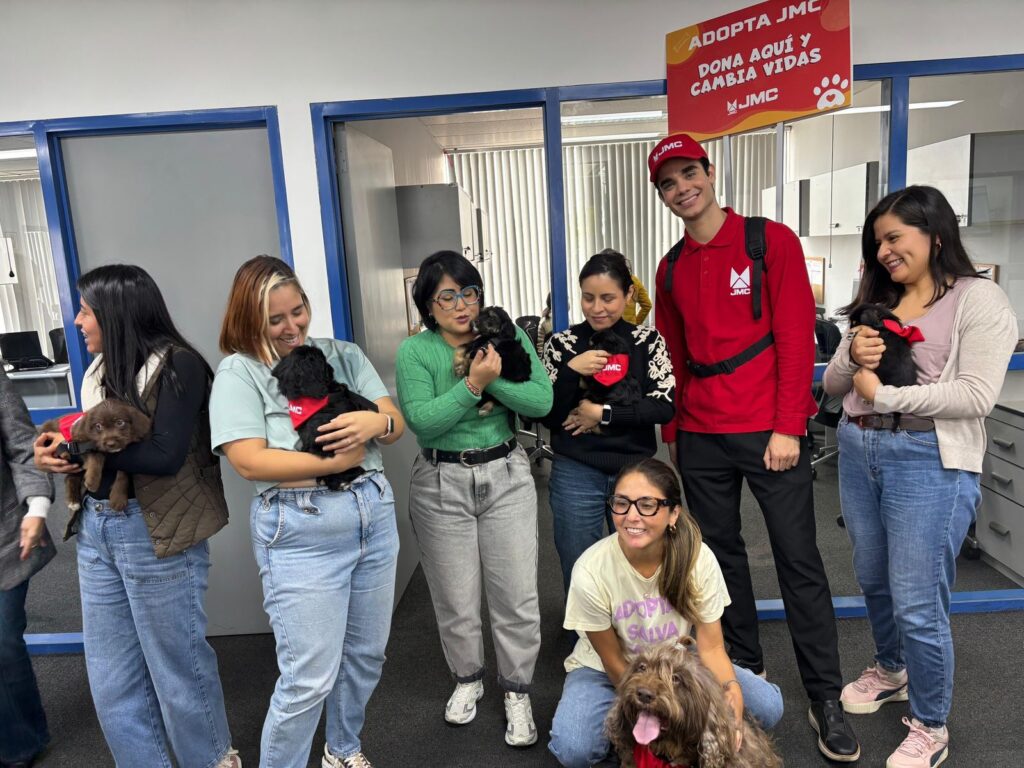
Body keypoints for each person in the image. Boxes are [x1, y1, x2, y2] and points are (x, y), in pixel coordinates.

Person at [648, 134, 859, 761]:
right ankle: (744, 670)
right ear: (662, 196)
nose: (682, 188)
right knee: (719, 564)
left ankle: (824, 696)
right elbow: (671, 355)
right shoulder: (670, 267)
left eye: (689, 174)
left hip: (769, 432)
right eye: (668, 183)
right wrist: (674, 435)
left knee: (798, 560)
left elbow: (796, 338)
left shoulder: (769, 242)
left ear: (710, 173)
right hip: (700, 433)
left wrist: (789, 426)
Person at [823, 185, 1017, 768]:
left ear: (934, 234)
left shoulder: (980, 299)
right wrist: (853, 353)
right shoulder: (879, 300)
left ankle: (931, 724)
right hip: (859, 445)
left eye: (894, 238)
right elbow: (833, 384)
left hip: (927, 456)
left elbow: (975, 395)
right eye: (877, 242)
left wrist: (884, 393)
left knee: (918, 600)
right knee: (873, 578)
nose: (884, 251)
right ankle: (891, 669)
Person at [33, 265, 239, 768]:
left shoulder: (178, 365)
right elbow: (89, 441)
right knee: (111, 678)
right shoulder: (97, 373)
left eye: (86, 310)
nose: (78, 321)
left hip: (155, 530)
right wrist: (59, 452)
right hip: (96, 526)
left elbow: (163, 456)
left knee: (177, 670)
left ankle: (213, 761)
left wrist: (79, 451)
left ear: (117, 313)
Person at [211, 255, 403, 768]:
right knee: (308, 677)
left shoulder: (342, 354)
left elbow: (393, 421)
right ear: (250, 319)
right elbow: (249, 461)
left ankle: (342, 750)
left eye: (298, 311)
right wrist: (333, 463)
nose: (292, 326)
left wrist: (377, 425)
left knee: (366, 656)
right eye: (275, 319)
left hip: (371, 513)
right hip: (300, 527)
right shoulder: (240, 372)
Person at [395, 250, 552, 748]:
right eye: (447, 296)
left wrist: (491, 383)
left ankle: (517, 689)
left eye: (469, 293)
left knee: (516, 595)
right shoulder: (415, 352)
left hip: (506, 474)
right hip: (440, 483)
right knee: (455, 599)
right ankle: (468, 679)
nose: (462, 305)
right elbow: (424, 422)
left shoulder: (508, 334)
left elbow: (541, 401)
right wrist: (473, 386)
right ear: (428, 304)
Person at [548, 458, 783, 767]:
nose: (632, 516)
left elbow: (712, 648)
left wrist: (732, 689)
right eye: (622, 503)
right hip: (606, 670)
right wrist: (651, 707)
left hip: (677, 663)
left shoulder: (697, 559)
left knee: (768, 706)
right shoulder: (590, 570)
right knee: (574, 748)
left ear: (674, 513)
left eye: (647, 505)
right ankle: (637, 743)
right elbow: (613, 661)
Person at [542, 250, 675, 594]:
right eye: (588, 298)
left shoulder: (648, 342)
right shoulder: (562, 344)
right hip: (576, 471)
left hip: (635, 471)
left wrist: (601, 414)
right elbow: (547, 414)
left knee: (641, 569)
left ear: (629, 294)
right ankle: (586, 630)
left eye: (607, 298)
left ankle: (638, 629)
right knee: (580, 569)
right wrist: (571, 371)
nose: (597, 308)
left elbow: (663, 407)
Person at [1, 370, 55, 768]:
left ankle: (21, 745)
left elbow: (23, 447)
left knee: (3, 644)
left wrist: (37, 507)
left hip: (5, 537)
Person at [618, 253, 652, 325]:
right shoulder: (634, 280)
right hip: (630, 327)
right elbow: (647, 305)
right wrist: (636, 323)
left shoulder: (604, 282)